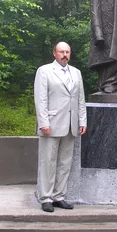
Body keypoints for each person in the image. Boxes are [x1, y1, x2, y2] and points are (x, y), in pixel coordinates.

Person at [34, 42, 87, 212]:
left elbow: (80, 99)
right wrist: (43, 123)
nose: (64, 54)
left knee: (65, 163)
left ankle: (59, 196)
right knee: (48, 162)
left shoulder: (76, 73)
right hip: (51, 124)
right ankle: (46, 198)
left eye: (67, 52)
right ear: (54, 53)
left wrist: (82, 121)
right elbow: (40, 99)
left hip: (71, 125)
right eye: (61, 51)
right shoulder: (44, 71)